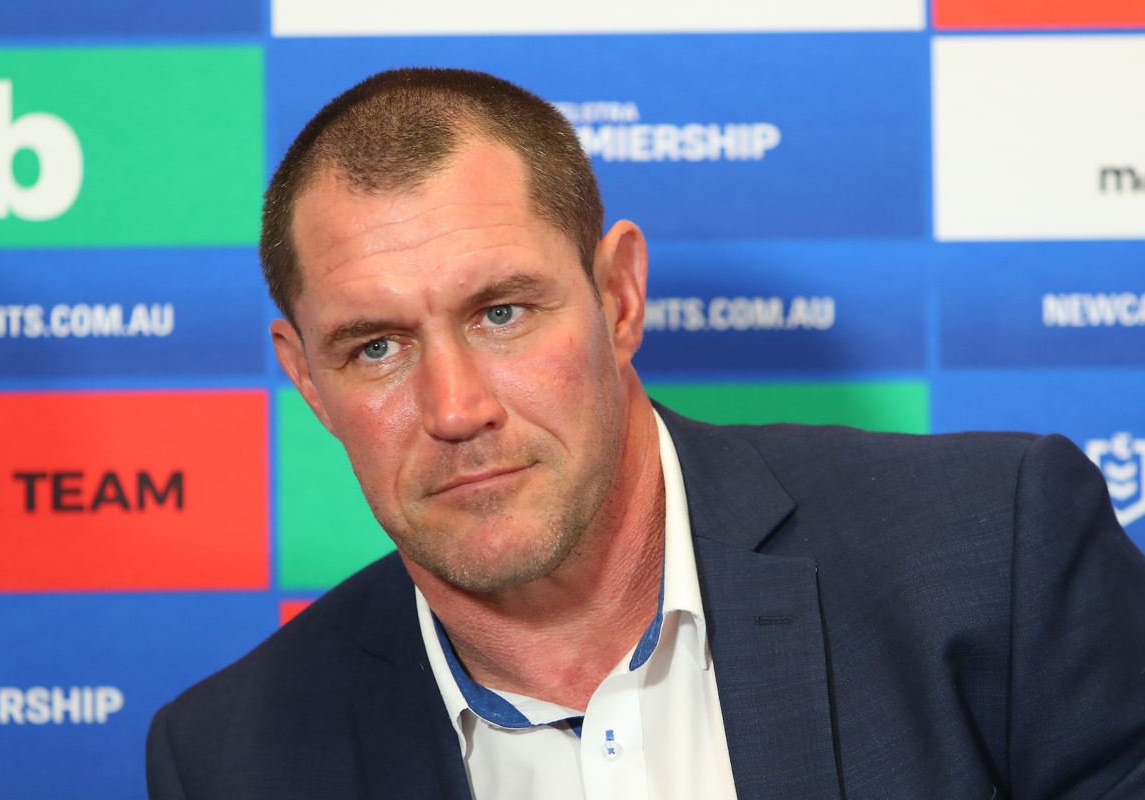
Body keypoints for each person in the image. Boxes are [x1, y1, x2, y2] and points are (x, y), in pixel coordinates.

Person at [146, 68, 1145, 800]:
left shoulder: (992, 555)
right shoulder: (231, 755)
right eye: (375, 347)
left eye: (502, 311)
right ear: (306, 377)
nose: (455, 409)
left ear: (618, 298)